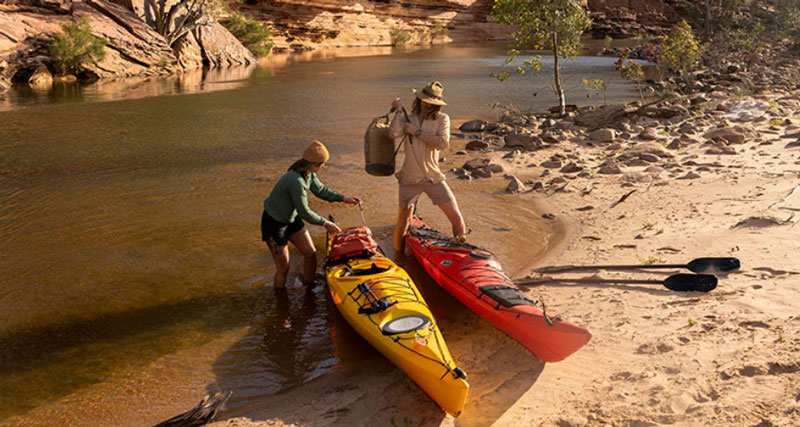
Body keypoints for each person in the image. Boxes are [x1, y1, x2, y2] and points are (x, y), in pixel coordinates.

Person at [261, 140, 361, 288]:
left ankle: (309, 286)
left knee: (310, 253)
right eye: (323, 164)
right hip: (275, 223)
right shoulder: (296, 181)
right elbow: (305, 212)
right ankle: (281, 303)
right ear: (314, 164)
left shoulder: (309, 174)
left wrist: (343, 198)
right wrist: (326, 223)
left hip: (291, 219)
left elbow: (320, 190)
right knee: (283, 268)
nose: (324, 166)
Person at [388, 81, 466, 254]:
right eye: (423, 100)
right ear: (419, 99)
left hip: (433, 177)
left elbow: (443, 143)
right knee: (403, 220)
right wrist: (399, 111)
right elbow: (393, 133)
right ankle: (399, 257)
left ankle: (462, 252)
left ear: (436, 104)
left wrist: (417, 132)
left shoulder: (442, 119)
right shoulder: (409, 116)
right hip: (408, 178)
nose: (426, 104)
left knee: (456, 217)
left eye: (430, 102)